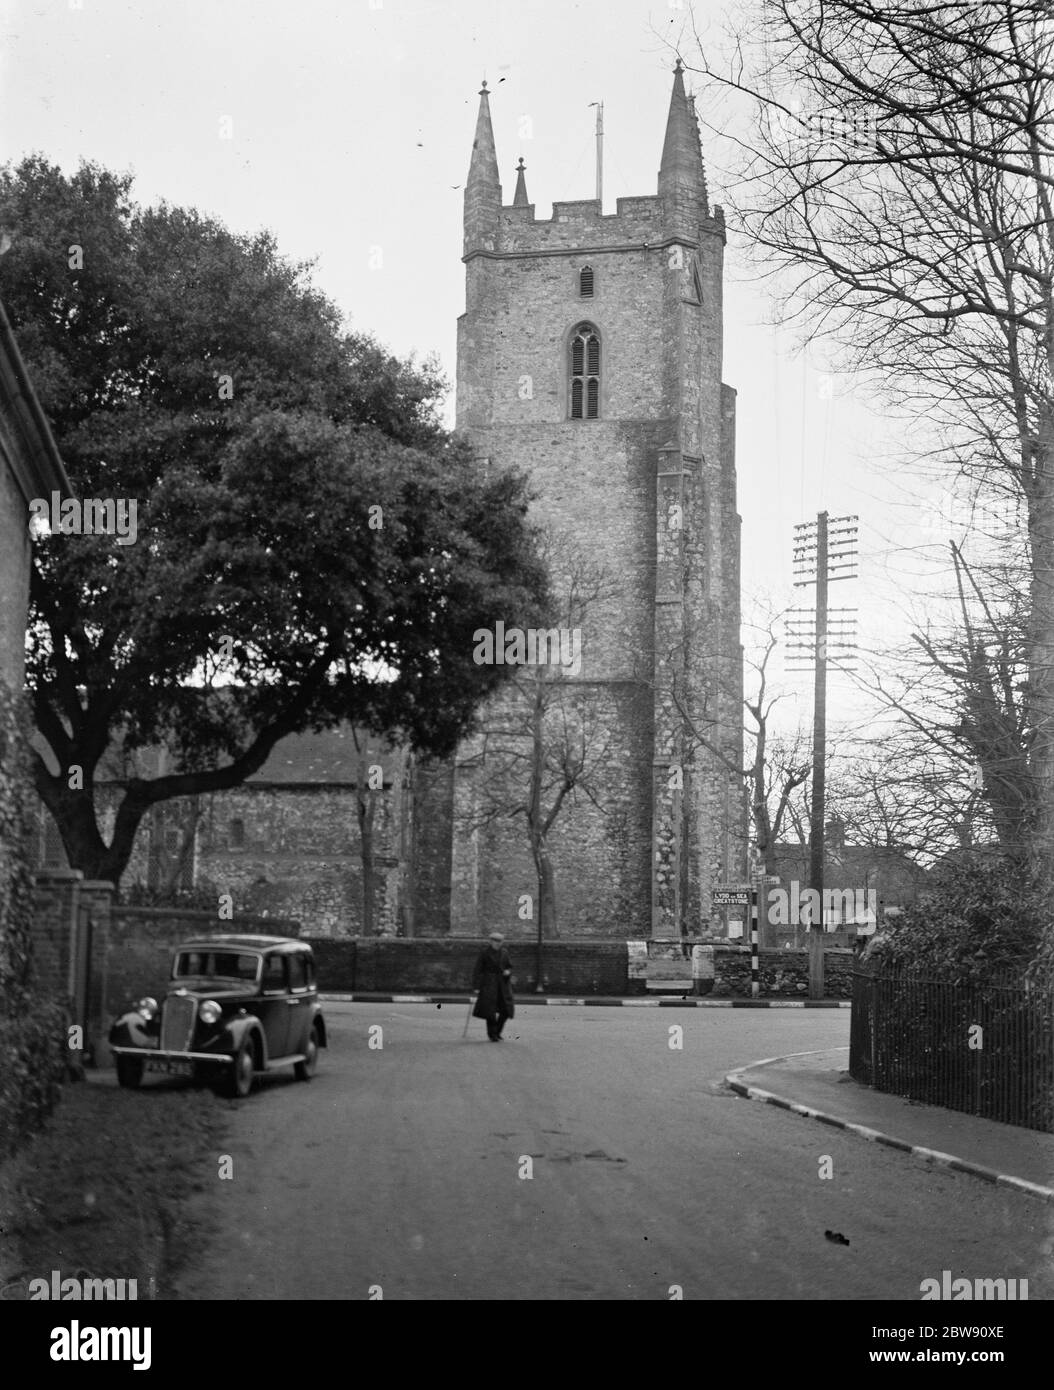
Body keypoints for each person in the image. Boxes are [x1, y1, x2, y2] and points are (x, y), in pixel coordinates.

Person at [471, 931, 515, 1041]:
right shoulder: (484, 953)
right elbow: (477, 970)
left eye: (500, 941)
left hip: (502, 985)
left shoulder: (504, 953)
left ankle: (498, 1031)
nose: (498, 943)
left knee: (505, 1010)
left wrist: (508, 972)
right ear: (490, 941)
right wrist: (476, 986)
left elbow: (509, 966)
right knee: (490, 1011)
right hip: (488, 984)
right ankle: (492, 1034)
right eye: (495, 941)